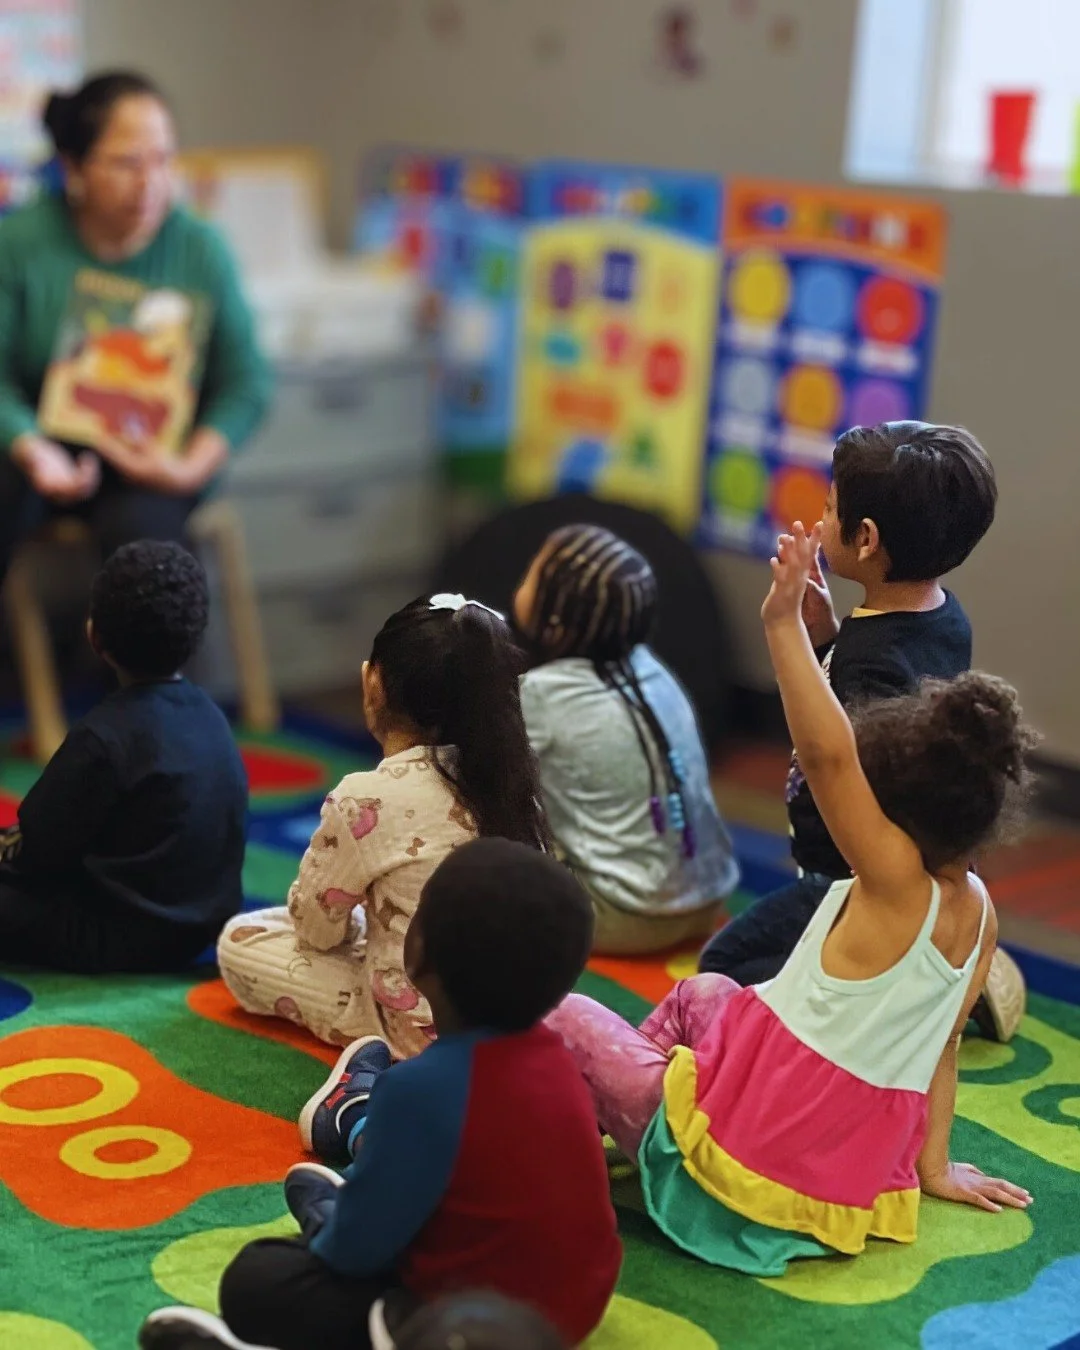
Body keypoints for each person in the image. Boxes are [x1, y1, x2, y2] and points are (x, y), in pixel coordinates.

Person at [548, 520, 1034, 1275]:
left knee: (567, 1012)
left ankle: (646, 1138)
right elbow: (940, 1048)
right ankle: (626, 1121)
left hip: (748, 1156)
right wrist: (934, 1170)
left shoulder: (891, 879)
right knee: (707, 991)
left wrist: (783, 626)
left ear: (892, 812)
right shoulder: (978, 908)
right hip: (831, 1171)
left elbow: (827, 755)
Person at [141, 839, 621, 1350]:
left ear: (419, 951)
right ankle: (350, 1199)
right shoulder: (561, 1064)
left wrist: (333, 1232)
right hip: (574, 1308)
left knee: (259, 1279)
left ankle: (338, 1219)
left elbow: (352, 1255)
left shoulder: (419, 1088)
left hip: (460, 1325)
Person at [699, 421, 1025, 1042]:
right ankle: (931, 956)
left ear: (867, 539)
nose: (821, 521)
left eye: (829, 509)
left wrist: (787, 629)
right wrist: (828, 636)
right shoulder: (942, 615)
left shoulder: (870, 660)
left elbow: (832, 753)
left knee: (725, 967)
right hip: (902, 873)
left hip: (848, 881)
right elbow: (875, 710)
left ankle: (909, 980)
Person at [218, 594, 551, 1060]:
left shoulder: (366, 799)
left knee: (240, 940)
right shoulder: (513, 781)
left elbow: (316, 932)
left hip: (419, 1032)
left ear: (371, 683)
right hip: (519, 1014)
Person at [0, 71, 271, 583]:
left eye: (163, 159)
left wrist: (188, 467)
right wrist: (30, 446)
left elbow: (247, 382)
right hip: (35, 452)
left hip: (154, 465)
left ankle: (128, 640)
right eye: (126, 163)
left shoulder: (200, 248)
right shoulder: (18, 243)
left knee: (147, 559)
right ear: (73, 166)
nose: (150, 183)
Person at [0, 540, 247, 971]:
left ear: (94, 635)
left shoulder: (102, 737)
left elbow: (35, 849)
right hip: (201, 928)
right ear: (195, 634)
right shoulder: (212, 716)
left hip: (120, 936)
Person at [514, 524, 738, 955]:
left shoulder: (542, 694)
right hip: (707, 900)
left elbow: (482, 770)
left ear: (554, 615)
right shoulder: (652, 669)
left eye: (531, 575)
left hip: (619, 914)